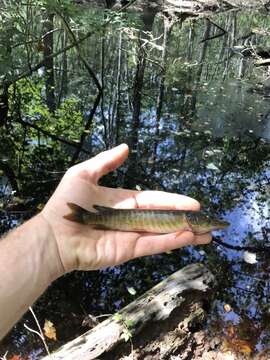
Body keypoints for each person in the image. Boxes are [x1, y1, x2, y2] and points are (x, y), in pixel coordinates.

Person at [0, 144, 211, 339]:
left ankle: (82, 220)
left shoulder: (186, 222)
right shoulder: (185, 220)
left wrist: (50, 241)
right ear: (193, 220)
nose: (211, 224)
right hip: (109, 218)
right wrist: (51, 234)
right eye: (208, 221)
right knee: (100, 218)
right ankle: (84, 217)